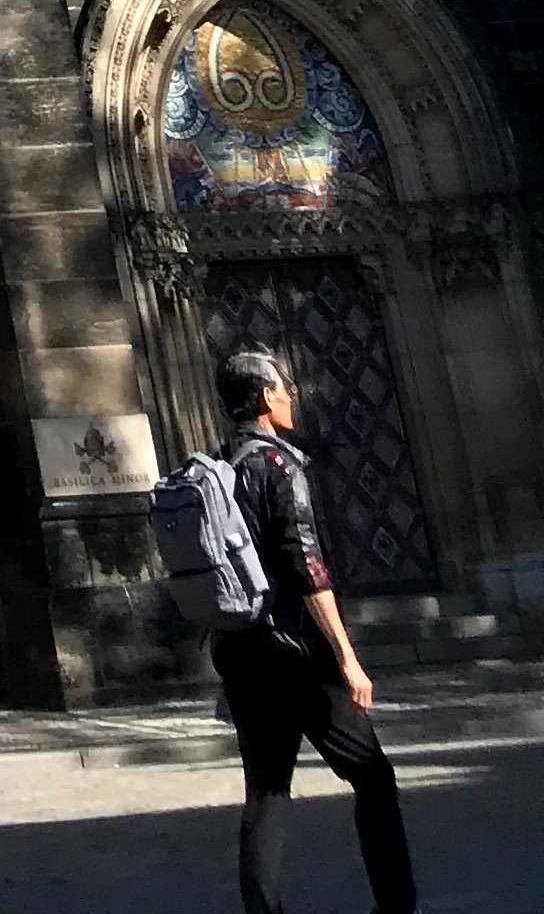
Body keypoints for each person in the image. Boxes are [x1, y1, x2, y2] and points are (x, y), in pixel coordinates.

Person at [211, 342, 418, 914]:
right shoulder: (278, 465)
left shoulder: (220, 468)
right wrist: (347, 657)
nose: (292, 397)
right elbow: (307, 567)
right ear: (264, 397)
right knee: (374, 778)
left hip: (242, 651)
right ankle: (397, 906)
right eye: (284, 388)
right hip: (297, 654)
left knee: (267, 792)